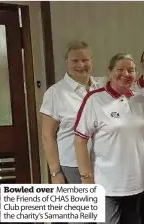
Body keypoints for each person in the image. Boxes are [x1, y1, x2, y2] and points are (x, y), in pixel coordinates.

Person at [74, 53, 144, 224]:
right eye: (120, 69)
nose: (126, 74)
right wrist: (86, 179)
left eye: (131, 70)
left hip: (136, 182)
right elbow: (79, 140)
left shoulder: (140, 101)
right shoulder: (95, 99)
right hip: (107, 184)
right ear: (109, 72)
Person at [41, 41, 101, 188]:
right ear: (67, 62)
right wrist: (55, 172)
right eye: (75, 61)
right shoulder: (55, 93)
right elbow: (47, 135)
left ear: (91, 61)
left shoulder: (102, 86)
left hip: (103, 163)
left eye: (85, 60)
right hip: (72, 166)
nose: (81, 65)